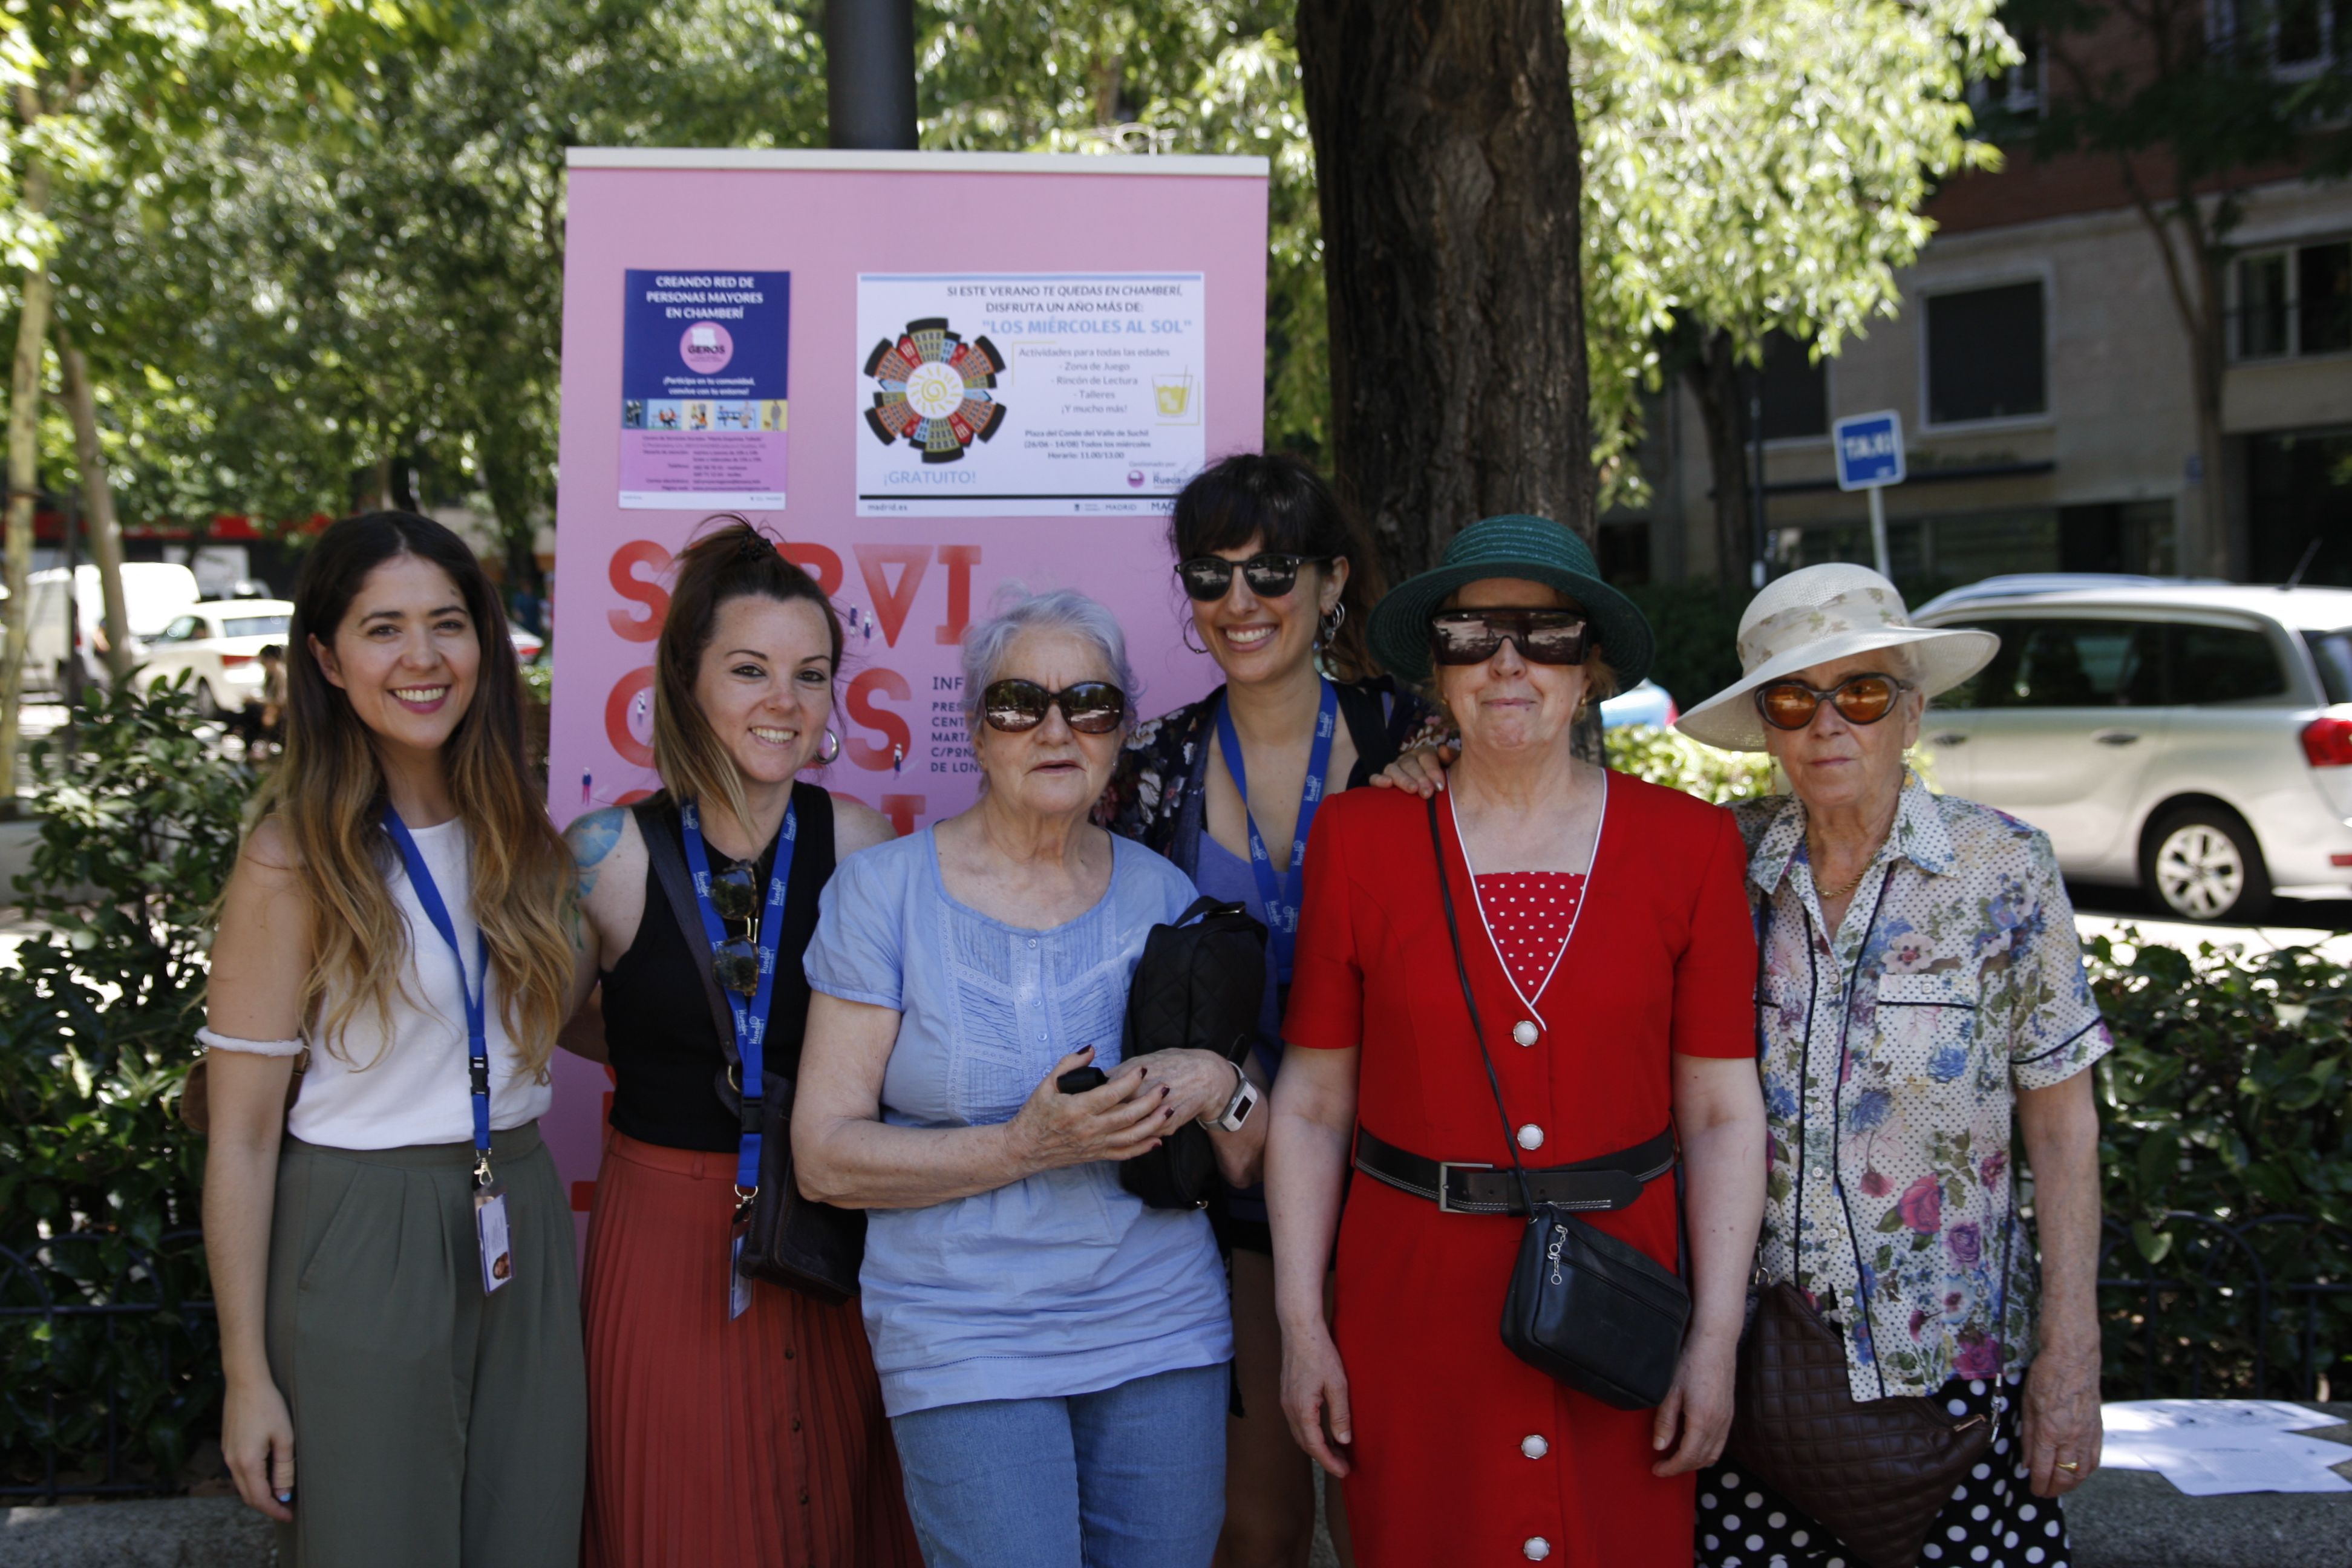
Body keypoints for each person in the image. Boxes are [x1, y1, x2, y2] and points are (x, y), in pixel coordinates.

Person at [1266, 515, 1769, 1568]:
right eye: (1471, 635)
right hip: (1414, 1310)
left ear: (1588, 670)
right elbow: (1311, 1108)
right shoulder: (1361, 840)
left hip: (1620, 1308)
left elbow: (1722, 1115)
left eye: (1545, 636)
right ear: (1438, 669)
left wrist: (1716, 1338)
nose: (1508, 663)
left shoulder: (1689, 846)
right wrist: (1304, 1327)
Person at [792, 587, 1244, 1568]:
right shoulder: (882, 893)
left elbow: (1244, 1147)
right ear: (975, 729)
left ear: (1121, 730)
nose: (1054, 729)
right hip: (963, 1332)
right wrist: (1021, 1146)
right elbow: (824, 1158)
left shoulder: (1164, 893)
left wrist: (1219, 1081)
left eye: (1089, 704)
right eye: (1017, 703)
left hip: (1159, 1322)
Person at [1673, 563, 2107, 1568]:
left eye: (1862, 693)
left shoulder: (2004, 868)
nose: (1829, 725)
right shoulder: (1717, 862)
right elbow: (1561, 828)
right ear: (1767, 728)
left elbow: (2063, 1127)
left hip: (1951, 1374)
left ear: (1911, 713)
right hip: (1757, 1372)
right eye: (1794, 700)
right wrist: (1428, 761)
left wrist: (2072, 1351)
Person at [200, 511, 585, 1567]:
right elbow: (241, 1138)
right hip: (363, 1228)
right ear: (327, 660)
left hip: (518, 1208)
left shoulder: (524, 831)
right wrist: (246, 1376)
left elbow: (574, 1020)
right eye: (384, 629)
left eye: (448, 624)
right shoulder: (290, 859)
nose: (423, 658)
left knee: (531, 1540)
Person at [562, 520, 921, 1567]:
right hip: (664, 1239)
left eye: (811, 676)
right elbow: (538, 1026)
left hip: (824, 1227)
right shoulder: (605, 854)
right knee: (681, 1515)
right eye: (751, 669)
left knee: (836, 1511)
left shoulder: (861, 845)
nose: (786, 702)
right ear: (687, 680)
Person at [1100, 452, 1436, 1568]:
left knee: (1404, 1520)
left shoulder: (1425, 746)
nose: (1239, 601)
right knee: (1258, 1526)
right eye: (1211, 575)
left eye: (1271, 571)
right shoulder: (1151, 770)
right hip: (1233, 1188)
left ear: (1332, 582)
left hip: (1403, 1189)